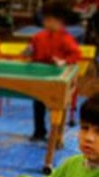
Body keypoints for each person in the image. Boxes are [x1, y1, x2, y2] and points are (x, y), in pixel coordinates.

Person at [29, 0, 81, 141]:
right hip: (41, 77)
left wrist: (64, 61)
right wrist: (28, 53)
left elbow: (76, 54)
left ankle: (56, 135)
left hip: (58, 79)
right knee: (38, 105)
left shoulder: (66, 39)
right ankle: (39, 131)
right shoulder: (39, 37)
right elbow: (33, 51)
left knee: (56, 109)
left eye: (49, 20)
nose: (45, 22)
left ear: (60, 22)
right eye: (45, 19)